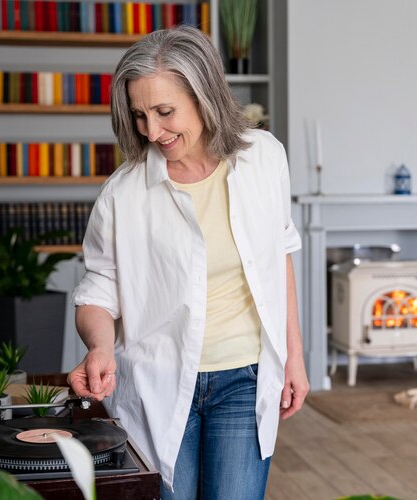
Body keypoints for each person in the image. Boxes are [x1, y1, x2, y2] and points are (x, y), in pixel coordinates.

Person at [68, 25, 309, 499]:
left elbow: (277, 258)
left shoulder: (265, 159)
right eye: (139, 115)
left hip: (245, 378)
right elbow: (98, 290)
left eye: (164, 112)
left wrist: (295, 359)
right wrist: (98, 347)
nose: (151, 131)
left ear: (205, 96)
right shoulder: (123, 193)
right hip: (159, 382)